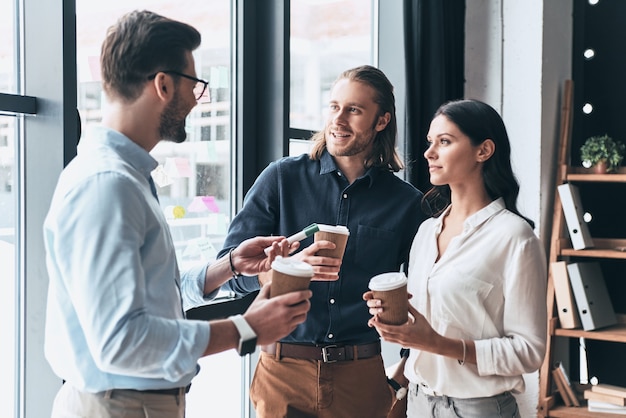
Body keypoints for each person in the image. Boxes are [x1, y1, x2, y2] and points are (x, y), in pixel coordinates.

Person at [43, 10, 312, 418]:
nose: (196, 99)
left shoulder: (125, 177)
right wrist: (247, 329)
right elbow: (123, 341)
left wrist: (228, 268)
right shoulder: (108, 185)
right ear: (163, 84)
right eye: (195, 85)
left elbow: (147, 299)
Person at [217, 65, 427, 417]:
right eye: (334, 107)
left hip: (362, 376)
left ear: (381, 121)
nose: (338, 119)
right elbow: (231, 273)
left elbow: (429, 293)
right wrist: (285, 270)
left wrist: (404, 373)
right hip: (283, 373)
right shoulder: (281, 179)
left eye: (354, 110)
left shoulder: (406, 203)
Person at [365, 99, 548, 418]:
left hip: (479, 409)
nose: (429, 152)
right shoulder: (425, 233)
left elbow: (529, 352)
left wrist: (438, 343)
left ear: (484, 150)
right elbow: (432, 321)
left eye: (445, 141)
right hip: (419, 403)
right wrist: (395, 319)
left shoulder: (514, 237)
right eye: (430, 142)